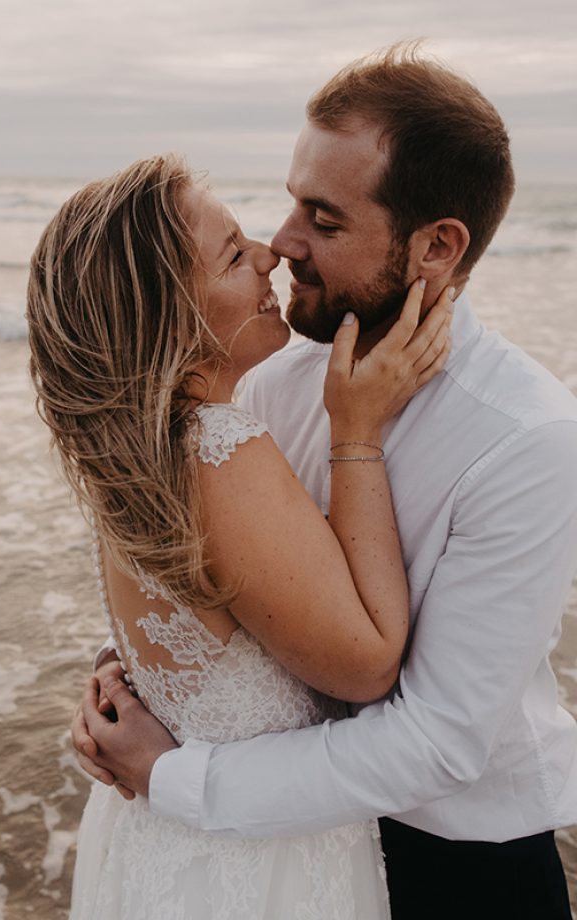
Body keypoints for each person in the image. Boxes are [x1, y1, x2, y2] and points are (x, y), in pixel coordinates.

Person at [74, 45, 577, 920]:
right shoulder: (266, 375)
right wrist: (139, 687)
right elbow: (228, 591)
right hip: (277, 851)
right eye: (290, 202)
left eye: (325, 219)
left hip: (454, 860)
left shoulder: (526, 438)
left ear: (437, 246)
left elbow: (440, 743)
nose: (282, 244)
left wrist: (174, 776)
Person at [28, 152, 453, 918]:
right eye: (232, 255)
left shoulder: (133, 451)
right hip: (253, 871)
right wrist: (356, 428)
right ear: (170, 315)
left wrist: (117, 677)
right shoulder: (218, 446)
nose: (269, 255)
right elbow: (367, 665)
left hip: (165, 845)